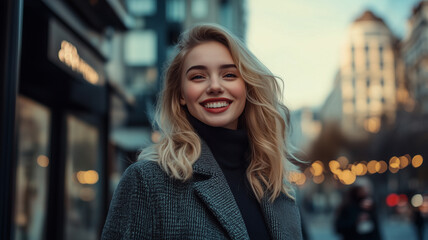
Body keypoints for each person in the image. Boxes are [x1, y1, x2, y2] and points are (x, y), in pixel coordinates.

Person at [102, 24, 303, 240]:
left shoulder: (274, 183)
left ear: (247, 87)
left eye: (229, 75)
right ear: (180, 95)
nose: (215, 86)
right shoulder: (147, 181)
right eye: (198, 77)